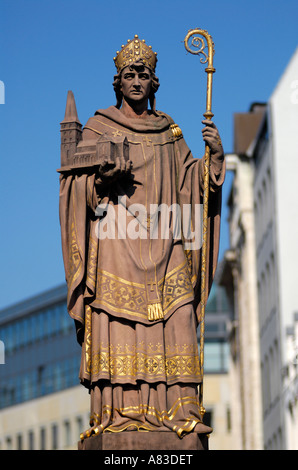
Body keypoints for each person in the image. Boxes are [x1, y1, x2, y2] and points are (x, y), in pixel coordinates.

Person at [59, 35, 225, 442]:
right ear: (118, 82)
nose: (137, 81)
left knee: (180, 313)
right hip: (117, 242)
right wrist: (100, 179)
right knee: (118, 321)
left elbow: (193, 186)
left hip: (167, 242)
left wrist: (214, 159)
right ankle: (120, 414)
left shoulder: (170, 131)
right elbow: (74, 185)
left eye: (144, 75)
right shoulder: (98, 127)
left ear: (154, 84)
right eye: (130, 74)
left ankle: (181, 412)